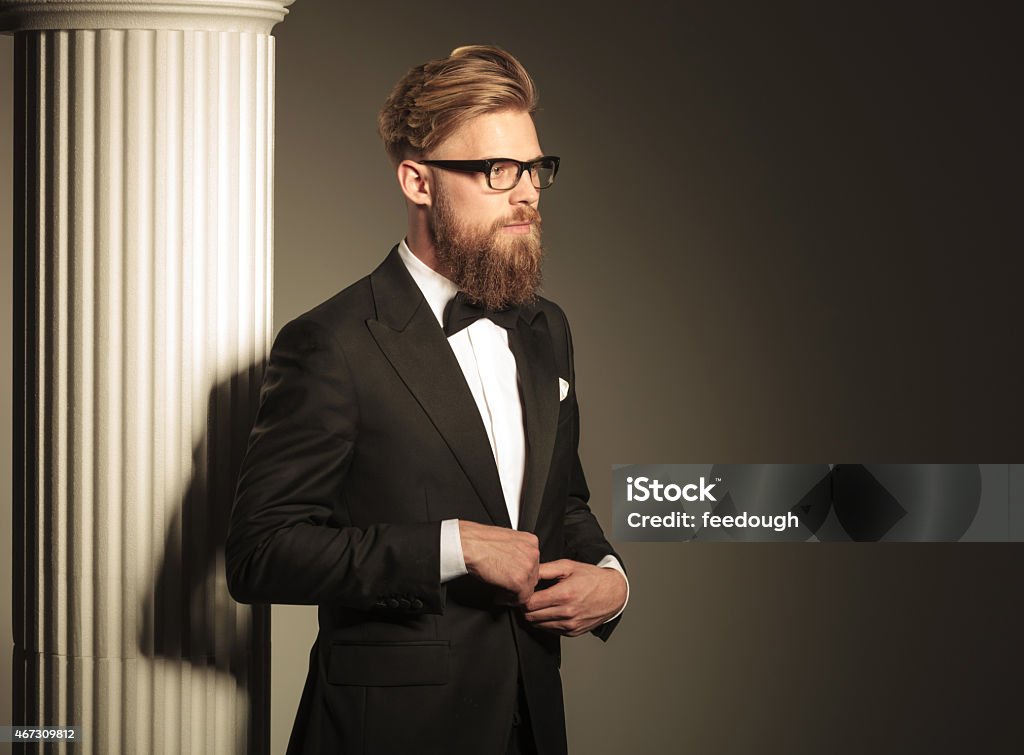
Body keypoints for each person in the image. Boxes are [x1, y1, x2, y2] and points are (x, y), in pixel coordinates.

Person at [225, 44, 628, 755]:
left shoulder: (546, 327)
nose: (527, 192)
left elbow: (561, 504)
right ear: (417, 180)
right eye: (498, 171)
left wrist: (611, 580)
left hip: (532, 725)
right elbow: (261, 551)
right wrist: (451, 546)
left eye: (535, 170)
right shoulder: (332, 342)